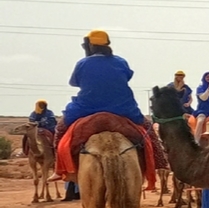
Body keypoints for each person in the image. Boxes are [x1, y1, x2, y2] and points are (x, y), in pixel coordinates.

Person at [49, 30, 146, 181]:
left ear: (90, 46)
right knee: (147, 130)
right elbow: (127, 75)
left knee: (60, 129)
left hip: (86, 108)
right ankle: (159, 163)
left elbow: (74, 82)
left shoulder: (82, 63)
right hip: (122, 107)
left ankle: (59, 168)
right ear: (107, 44)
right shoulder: (120, 61)